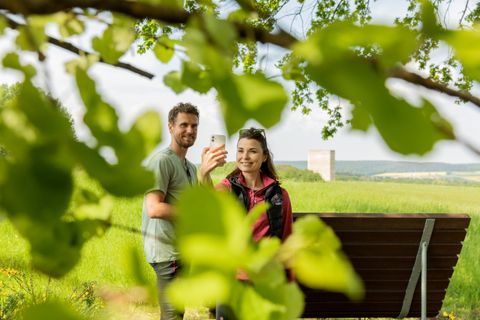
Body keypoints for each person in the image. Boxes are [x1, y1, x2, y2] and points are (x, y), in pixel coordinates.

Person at [141, 102, 227, 320]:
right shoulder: (162, 161)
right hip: (166, 253)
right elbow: (154, 208)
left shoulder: (189, 167)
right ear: (171, 127)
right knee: (172, 314)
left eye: (195, 126)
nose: (190, 130)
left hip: (183, 252)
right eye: (184, 125)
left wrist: (206, 172)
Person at [215, 127, 293, 320]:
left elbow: (287, 241)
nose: (245, 156)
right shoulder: (225, 189)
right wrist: (205, 173)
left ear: (264, 156)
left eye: (252, 151)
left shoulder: (279, 196)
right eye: (240, 150)